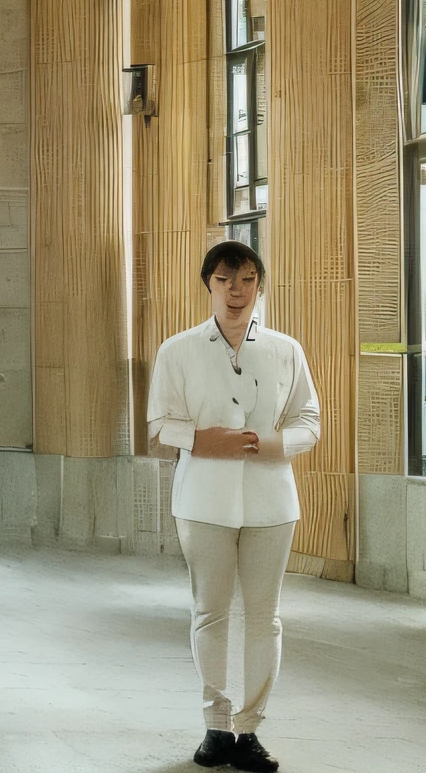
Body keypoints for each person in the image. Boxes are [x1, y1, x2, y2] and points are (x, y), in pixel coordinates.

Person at [147, 241, 320, 773]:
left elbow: (309, 422)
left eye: (247, 279)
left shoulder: (286, 349)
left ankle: (251, 730)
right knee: (210, 613)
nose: (236, 290)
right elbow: (157, 428)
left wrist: (269, 445)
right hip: (202, 501)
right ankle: (216, 727)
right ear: (208, 285)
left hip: (272, 501)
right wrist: (203, 440)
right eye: (225, 280)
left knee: (264, 618)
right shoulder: (177, 350)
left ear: (260, 285)